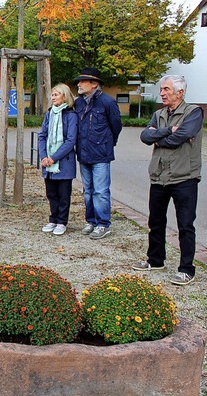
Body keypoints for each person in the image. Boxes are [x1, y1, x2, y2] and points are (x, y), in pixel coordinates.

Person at [132, 75, 203, 286]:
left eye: (166, 89)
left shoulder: (193, 112)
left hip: (184, 177)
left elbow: (180, 137)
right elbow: (145, 137)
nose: (162, 93)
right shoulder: (159, 114)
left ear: (180, 93)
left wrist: (160, 137)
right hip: (159, 176)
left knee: (185, 225)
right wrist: (166, 131)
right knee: (155, 221)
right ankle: (155, 260)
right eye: (161, 89)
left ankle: (186, 269)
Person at [73, 67, 122, 239]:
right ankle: (91, 221)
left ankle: (103, 224)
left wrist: (108, 144)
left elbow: (116, 127)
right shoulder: (78, 103)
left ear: (94, 84)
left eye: (82, 81)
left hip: (101, 154)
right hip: (83, 153)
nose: (78, 84)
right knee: (88, 190)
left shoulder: (107, 102)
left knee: (100, 191)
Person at [38, 83, 78, 236]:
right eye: (52, 95)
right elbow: (42, 135)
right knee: (51, 193)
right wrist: (44, 157)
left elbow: (70, 140)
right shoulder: (49, 114)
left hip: (63, 162)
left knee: (63, 194)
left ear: (64, 96)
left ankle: (62, 221)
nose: (53, 97)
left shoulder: (71, 115)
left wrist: (54, 158)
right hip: (48, 162)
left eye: (56, 94)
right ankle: (53, 219)